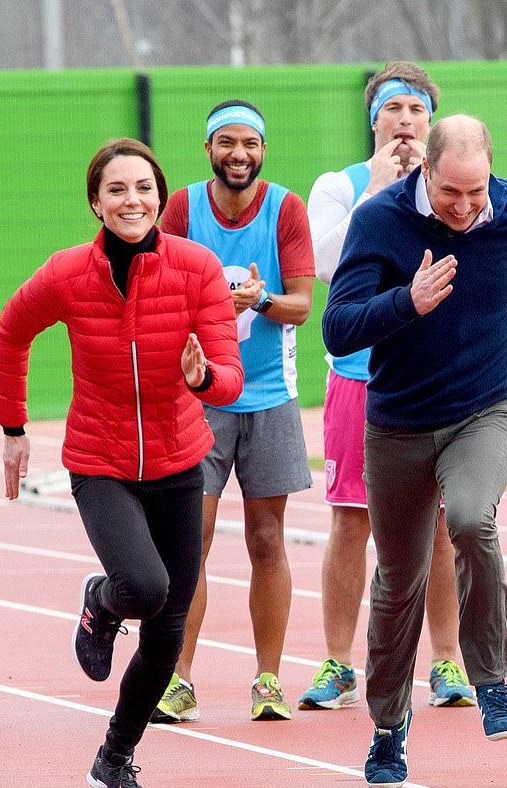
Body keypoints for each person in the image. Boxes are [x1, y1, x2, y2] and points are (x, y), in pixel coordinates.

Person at [322, 114, 507, 788]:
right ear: (425, 172)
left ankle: (491, 682)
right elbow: (339, 326)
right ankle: (386, 729)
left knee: (471, 517)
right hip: (398, 421)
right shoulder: (379, 221)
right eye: (449, 193)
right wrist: (406, 302)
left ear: (493, 170)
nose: (464, 208)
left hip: (483, 410)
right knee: (398, 583)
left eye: (476, 191)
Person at [0, 138, 244, 788]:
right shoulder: (68, 274)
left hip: (178, 461)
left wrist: (204, 377)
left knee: (167, 629)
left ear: (160, 196)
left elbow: (228, 374)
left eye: (143, 188)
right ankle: (101, 602)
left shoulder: (196, 269)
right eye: (117, 190)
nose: (132, 201)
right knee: (144, 586)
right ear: (96, 203)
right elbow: (12, 330)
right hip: (100, 462)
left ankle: (115, 757)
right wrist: (13, 429)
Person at [301, 60, 474, 712]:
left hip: (433, 376)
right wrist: (376, 188)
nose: (405, 122)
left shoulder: (450, 188)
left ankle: (449, 661)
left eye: (417, 111)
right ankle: (340, 665)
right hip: (358, 376)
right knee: (351, 521)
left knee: (438, 525)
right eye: (394, 110)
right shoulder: (339, 185)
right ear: (374, 118)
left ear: (432, 122)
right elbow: (325, 264)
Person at [151, 100, 315, 723]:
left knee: (266, 539)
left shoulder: (286, 209)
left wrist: (261, 297)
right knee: (189, 543)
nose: (238, 154)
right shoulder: (184, 208)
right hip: (198, 397)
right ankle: (179, 677)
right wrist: (210, 299)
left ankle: (268, 680)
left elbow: (302, 305)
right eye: (227, 143)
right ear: (208, 149)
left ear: (263, 150)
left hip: (269, 395)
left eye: (249, 143)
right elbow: (156, 283)